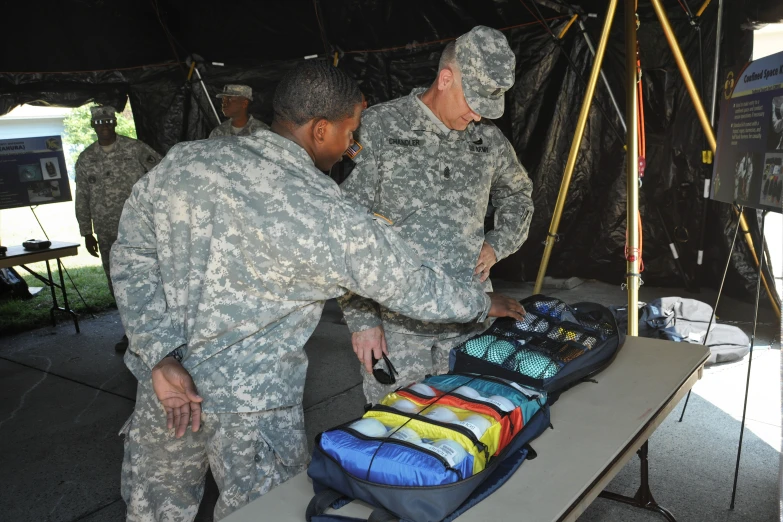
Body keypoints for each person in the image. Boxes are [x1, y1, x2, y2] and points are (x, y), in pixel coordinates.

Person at [112, 60, 525, 522]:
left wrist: (159, 353)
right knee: (262, 516)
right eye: (351, 133)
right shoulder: (322, 210)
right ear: (321, 129)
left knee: (153, 514)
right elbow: (408, 282)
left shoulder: (186, 161)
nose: (353, 148)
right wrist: (482, 302)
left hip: (166, 392)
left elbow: (131, 253)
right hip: (255, 415)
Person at [339, 25, 535, 404]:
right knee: (395, 435)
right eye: (473, 100)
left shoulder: (488, 141)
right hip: (398, 330)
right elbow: (347, 230)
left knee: (468, 427)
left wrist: (498, 244)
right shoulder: (379, 129)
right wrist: (362, 321)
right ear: (446, 79)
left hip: (470, 323)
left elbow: (519, 194)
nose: (477, 115)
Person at [74, 105, 161, 352]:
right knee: (116, 280)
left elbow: (162, 173)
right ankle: (129, 331)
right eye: (99, 124)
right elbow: (82, 196)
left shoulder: (135, 149)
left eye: (108, 122)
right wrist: (86, 231)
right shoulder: (86, 158)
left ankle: (157, 326)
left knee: (150, 273)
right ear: (93, 126)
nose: (104, 127)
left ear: (114, 124)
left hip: (141, 226)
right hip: (107, 231)